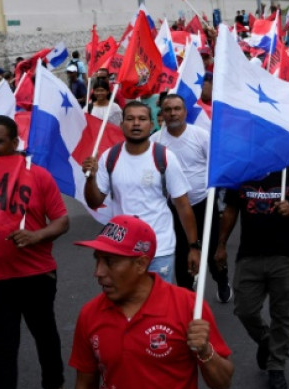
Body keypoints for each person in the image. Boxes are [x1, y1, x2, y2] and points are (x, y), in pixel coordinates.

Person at [70, 215, 234, 389]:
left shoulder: (189, 307)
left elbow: (223, 384)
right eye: (97, 260)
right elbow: (85, 386)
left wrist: (205, 351)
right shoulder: (89, 314)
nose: (98, 272)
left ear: (141, 264)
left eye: (110, 261)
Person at [0, 115, 70, 389]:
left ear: (15, 143)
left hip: (36, 277)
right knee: (4, 346)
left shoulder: (38, 175)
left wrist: (36, 236)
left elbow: (62, 221)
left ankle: (54, 383)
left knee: (45, 335)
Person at [215, 167, 289, 389]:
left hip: (285, 256)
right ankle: (267, 340)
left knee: (283, 314)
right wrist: (221, 245)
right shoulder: (241, 173)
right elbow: (231, 209)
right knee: (244, 310)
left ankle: (276, 365)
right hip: (250, 255)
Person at [83, 101, 201, 284]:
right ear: (122, 125)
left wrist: (193, 247)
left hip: (159, 250)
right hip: (122, 249)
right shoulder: (110, 157)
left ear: (151, 125)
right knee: (125, 306)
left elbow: (183, 206)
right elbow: (95, 202)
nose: (136, 123)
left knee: (159, 308)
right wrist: (90, 178)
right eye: (130, 119)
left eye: (142, 119)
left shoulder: (165, 157)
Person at [150, 94, 232, 301]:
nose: (173, 113)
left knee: (213, 251)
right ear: (162, 114)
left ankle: (222, 280)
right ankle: (187, 297)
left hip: (203, 203)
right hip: (174, 208)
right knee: (181, 254)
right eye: (168, 110)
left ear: (185, 112)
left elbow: (218, 164)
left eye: (177, 108)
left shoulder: (201, 135)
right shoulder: (155, 141)